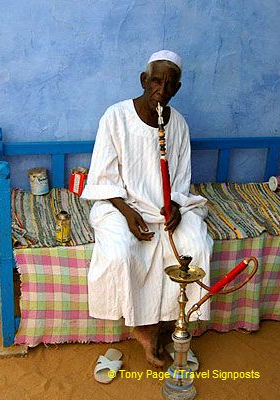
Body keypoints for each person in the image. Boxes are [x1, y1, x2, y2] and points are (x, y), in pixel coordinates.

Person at [81, 50, 213, 367]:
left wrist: (176, 207)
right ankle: (141, 328)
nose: (161, 90)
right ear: (144, 80)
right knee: (120, 253)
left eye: (170, 85)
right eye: (156, 81)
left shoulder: (177, 124)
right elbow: (103, 176)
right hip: (118, 204)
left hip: (164, 207)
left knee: (194, 246)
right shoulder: (115, 117)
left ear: (177, 88)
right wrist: (128, 213)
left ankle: (171, 323)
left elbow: (181, 180)